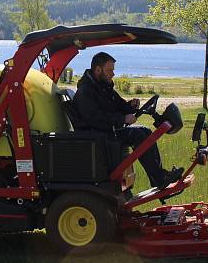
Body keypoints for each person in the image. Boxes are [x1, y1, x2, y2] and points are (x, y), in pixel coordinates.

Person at [72, 52, 183, 190]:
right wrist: (122, 119)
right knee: (139, 135)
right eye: (109, 70)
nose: (112, 74)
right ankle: (159, 178)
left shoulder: (103, 87)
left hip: (106, 132)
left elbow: (118, 104)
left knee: (144, 131)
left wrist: (130, 106)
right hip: (98, 136)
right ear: (98, 70)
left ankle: (159, 176)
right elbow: (95, 119)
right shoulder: (86, 91)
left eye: (113, 70)